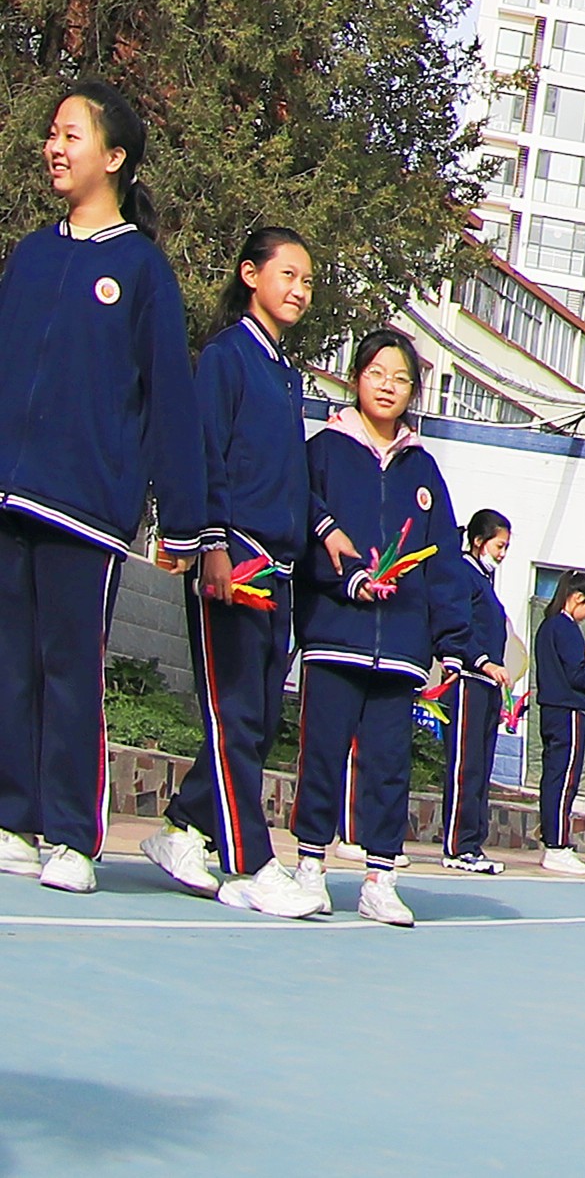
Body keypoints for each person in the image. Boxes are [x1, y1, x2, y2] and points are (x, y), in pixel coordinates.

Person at [0, 82, 207, 895]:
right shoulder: (31, 255)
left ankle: (71, 835)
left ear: (114, 157)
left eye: (71, 134)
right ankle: (13, 817)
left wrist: (183, 523)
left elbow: (168, 401)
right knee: (9, 662)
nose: (55, 146)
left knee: (67, 666)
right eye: (52, 133)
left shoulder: (140, 270)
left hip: (85, 507)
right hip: (10, 495)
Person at [145, 227, 314, 907]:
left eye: (308, 280)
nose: (299, 289)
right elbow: (202, 452)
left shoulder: (284, 371)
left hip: (279, 566)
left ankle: (185, 824)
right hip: (234, 556)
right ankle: (250, 863)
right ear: (250, 273)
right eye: (289, 274)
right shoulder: (226, 357)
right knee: (231, 710)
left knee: (255, 717)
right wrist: (209, 543)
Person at [291, 329, 462, 928]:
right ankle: (310, 866)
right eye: (376, 373)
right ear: (355, 377)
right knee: (322, 752)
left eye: (401, 379)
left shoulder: (424, 468)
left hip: (401, 650)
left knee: (390, 762)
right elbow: (303, 534)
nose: (387, 387)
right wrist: (348, 583)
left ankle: (380, 877)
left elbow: (443, 559)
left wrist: (450, 642)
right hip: (335, 635)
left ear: (414, 391)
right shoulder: (323, 452)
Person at [436, 510, 517, 877]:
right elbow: (459, 627)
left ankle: (472, 842)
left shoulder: (486, 581)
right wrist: (484, 662)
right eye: (499, 545)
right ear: (479, 541)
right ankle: (457, 844)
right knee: (464, 765)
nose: (502, 553)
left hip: (488, 685)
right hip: (469, 679)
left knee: (480, 767)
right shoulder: (462, 573)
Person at [534, 572, 585, 875]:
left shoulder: (547, 627)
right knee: (564, 777)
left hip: (552, 709)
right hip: (568, 709)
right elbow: (576, 675)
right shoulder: (565, 628)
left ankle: (552, 839)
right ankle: (556, 844)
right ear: (577, 599)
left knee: (554, 775)